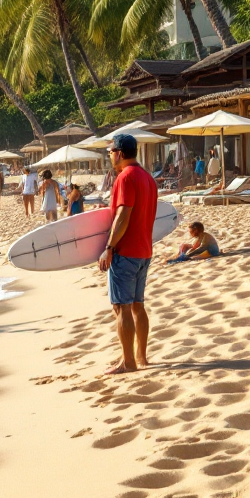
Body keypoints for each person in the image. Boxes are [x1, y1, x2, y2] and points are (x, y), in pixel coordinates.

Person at [98, 132, 158, 375]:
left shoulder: (125, 178)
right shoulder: (147, 178)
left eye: (111, 151)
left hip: (126, 252)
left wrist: (109, 248)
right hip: (144, 250)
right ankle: (141, 357)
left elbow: (123, 214)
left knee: (121, 308)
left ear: (120, 153)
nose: (110, 155)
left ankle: (128, 363)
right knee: (137, 306)